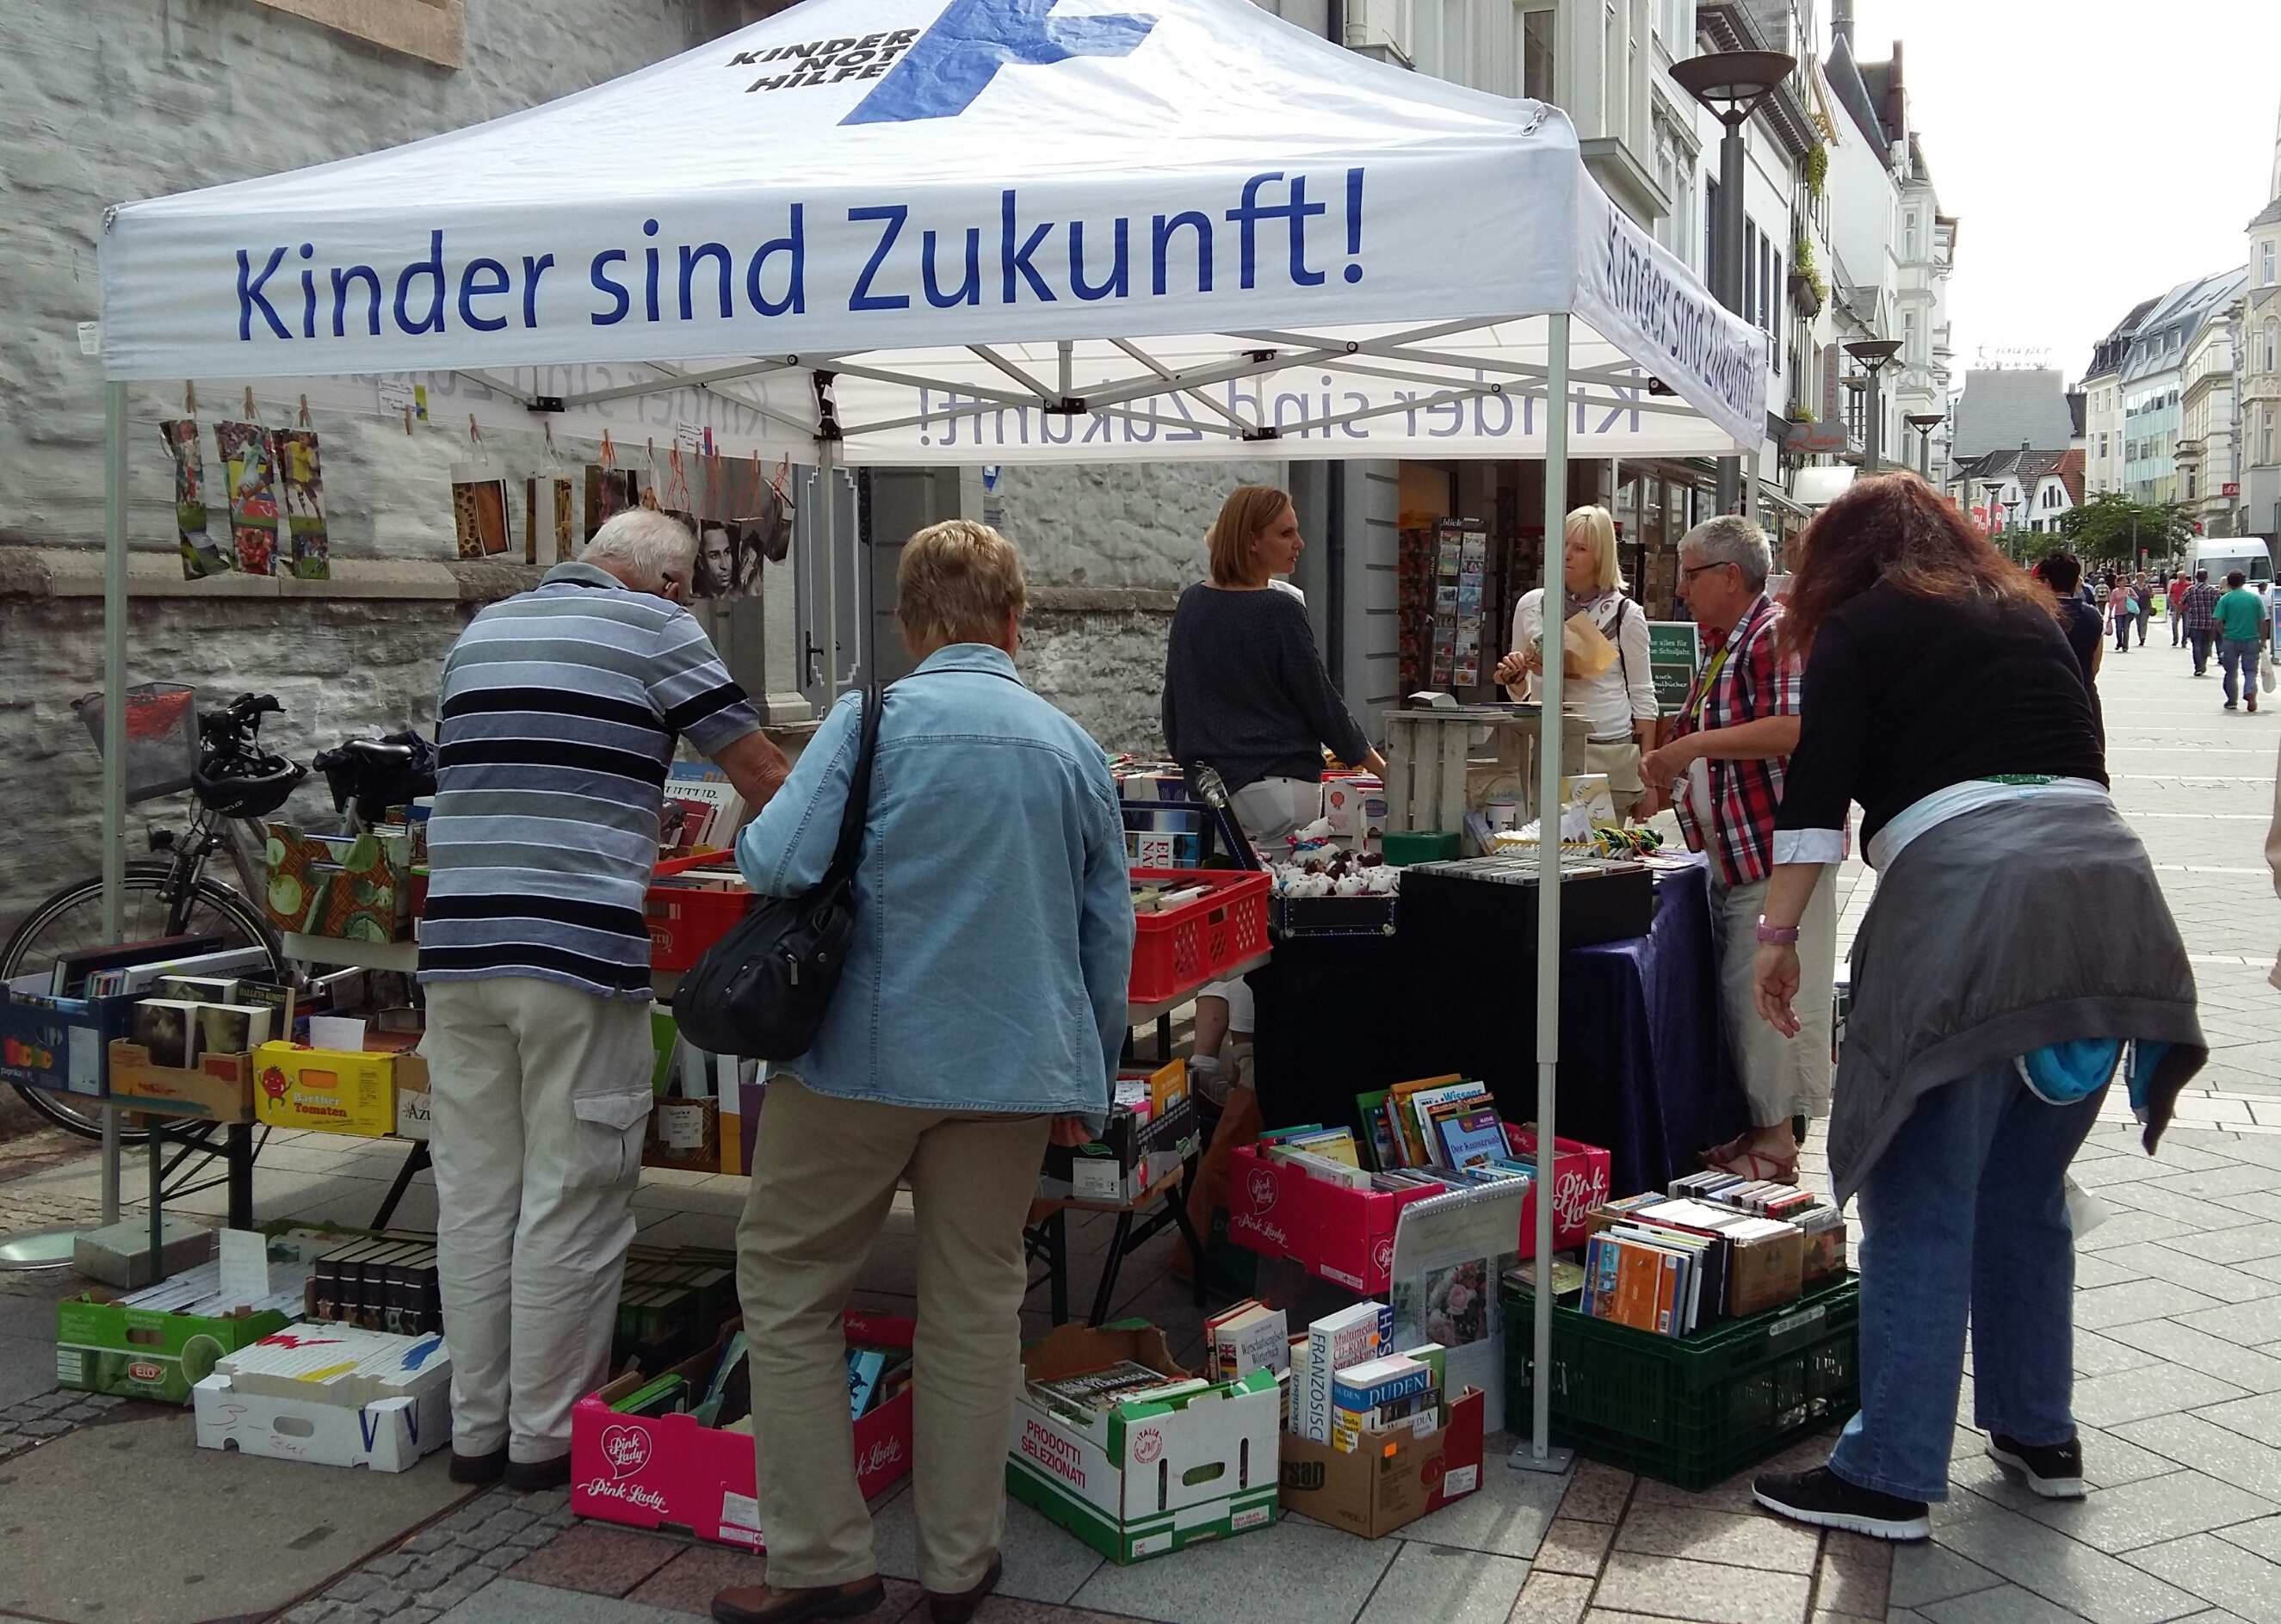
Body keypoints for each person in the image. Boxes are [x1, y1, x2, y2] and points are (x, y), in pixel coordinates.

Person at [1742, 473, 2204, 1541]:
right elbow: (2080, 764)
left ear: (1836, 557)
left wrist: (1776, 941)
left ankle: (1890, 1474)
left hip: (1969, 904)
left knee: (1919, 1190)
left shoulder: (1861, 626)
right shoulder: (2028, 615)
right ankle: (2040, 1434)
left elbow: (1814, 800)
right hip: (2110, 905)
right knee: (2024, 1189)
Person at [715, 521, 1132, 1624]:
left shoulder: (868, 721)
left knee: (790, 1287)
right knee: (976, 1307)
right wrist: (1085, 1083)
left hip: (856, 1061)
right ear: (1014, 620)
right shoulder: (1070, 747)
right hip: (1010, 1067)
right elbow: (1107, 935)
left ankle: (821, 1562)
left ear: (907, 625)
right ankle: (958, 1563)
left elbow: (776, 860)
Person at [420, 509, 791, 1488]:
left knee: (475, 1196)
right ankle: (544, 1438)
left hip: (456, 947)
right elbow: (761, 774)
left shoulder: (483, 630)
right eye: (688, 591)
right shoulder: (657, 626)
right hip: (573, 951)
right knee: (572, 1195)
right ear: (668, 584)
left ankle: (477, 1430)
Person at [1163, 485, 1385, 1101]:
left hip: (1222, 794)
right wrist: (1379, 765)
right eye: (1286, 532)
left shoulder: (1193, 605)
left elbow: (1175, 711)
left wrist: (1200, 769)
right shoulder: (1277, 610)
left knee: (1237, 926)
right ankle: (1255, 1075)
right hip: (1283, 791)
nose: (1300, 542)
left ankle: (1218, 1061)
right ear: (1252, 539)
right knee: (1274, 936)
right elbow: (1323, 704)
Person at [1635, 516, 1835, 1184]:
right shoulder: (1727, 640)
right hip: (1735, 854)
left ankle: (1776, 1142)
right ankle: (1761, 1129)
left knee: (1762, 1001)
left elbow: (1795, 727)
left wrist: (1691, 747)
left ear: (1729, 575)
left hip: (1773, 858)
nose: (1680, 590)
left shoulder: (1773, 631)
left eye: (1689, 574)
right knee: (1742, 998)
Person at [1493, 506, 1659, 821]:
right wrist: (1515, 678)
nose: (1567, 554)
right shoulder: (1532, 605)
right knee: (1541, 843)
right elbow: (1522, 693)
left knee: (1598, 847)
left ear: (1601, 556)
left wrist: (1647, 779)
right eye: (1563, 543)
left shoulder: (1626, 614)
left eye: (1580, 548)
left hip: (1605, 746)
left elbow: (1643, 695)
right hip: (1545, 744)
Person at [2031, 552, 2104, 744]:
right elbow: (2095, 666)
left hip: (2041, 702)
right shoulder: (2093, 616)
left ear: (2046, 583)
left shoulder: (2032, 615)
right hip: (2084, 699)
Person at [2216, 569, 2268, 713]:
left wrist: (2224, 634)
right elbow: (2262, 622)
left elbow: (2218, 621)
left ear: (2229, 583)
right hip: (2251, 639)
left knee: (2231, 672)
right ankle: (2250, 691)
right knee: (2250, 670)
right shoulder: (2254, 599)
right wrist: (2263, 640)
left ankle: (2232, 701)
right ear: (2243, 582)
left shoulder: (2225, 599)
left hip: (2231, 639)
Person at [2183, 568, 2222, 676]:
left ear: (2196, 577)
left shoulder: (2190, 590)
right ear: (2206, 577)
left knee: (2196, 645)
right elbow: (2219, 606)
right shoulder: (2213, 591)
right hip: (2209, 622)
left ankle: (2198, 666)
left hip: (2194, 622)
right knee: (2206, 644)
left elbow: (2183, 602)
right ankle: (2203, 664)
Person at [2106, 574, 2133, 655]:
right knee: (2118, 629)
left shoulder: (2129, 590)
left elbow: (2137, 598)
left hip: (2128, 612)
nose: (2124, 582)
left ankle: (2125, 646)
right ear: (2118, 582)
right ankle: (2119, 642)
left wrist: (2131, 597)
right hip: (2118, 613)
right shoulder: (2115, 591)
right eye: (2122, 581)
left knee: (2126, 629)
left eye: (2125, 581)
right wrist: (2110, 613)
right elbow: (2112, 603)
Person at [2168, 571, 2190, 645]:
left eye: (2183, 577)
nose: (2181, 579)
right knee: (2174, 623)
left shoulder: (2189, 585)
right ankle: (2175, 639)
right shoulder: (2174, 584)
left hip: (2186, 607)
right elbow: (2171, 595)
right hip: (2176, 607)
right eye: (2180, 577)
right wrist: (2173, 604)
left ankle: (2184, 641)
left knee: (2186, 625)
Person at [2131, 570, 2152, 647]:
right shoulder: (2133, 588)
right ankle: (2140, 636)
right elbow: (2130, 597)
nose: (2140, 579)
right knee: (2138, 623)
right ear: (2136, 579)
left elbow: (2152, 596)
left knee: (2143, 622)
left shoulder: (2147, 587)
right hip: (2136, 607)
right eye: (2139, 578)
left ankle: (2143, 638)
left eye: (2142, 578)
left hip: (2146, 606)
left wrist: (2148, 591)